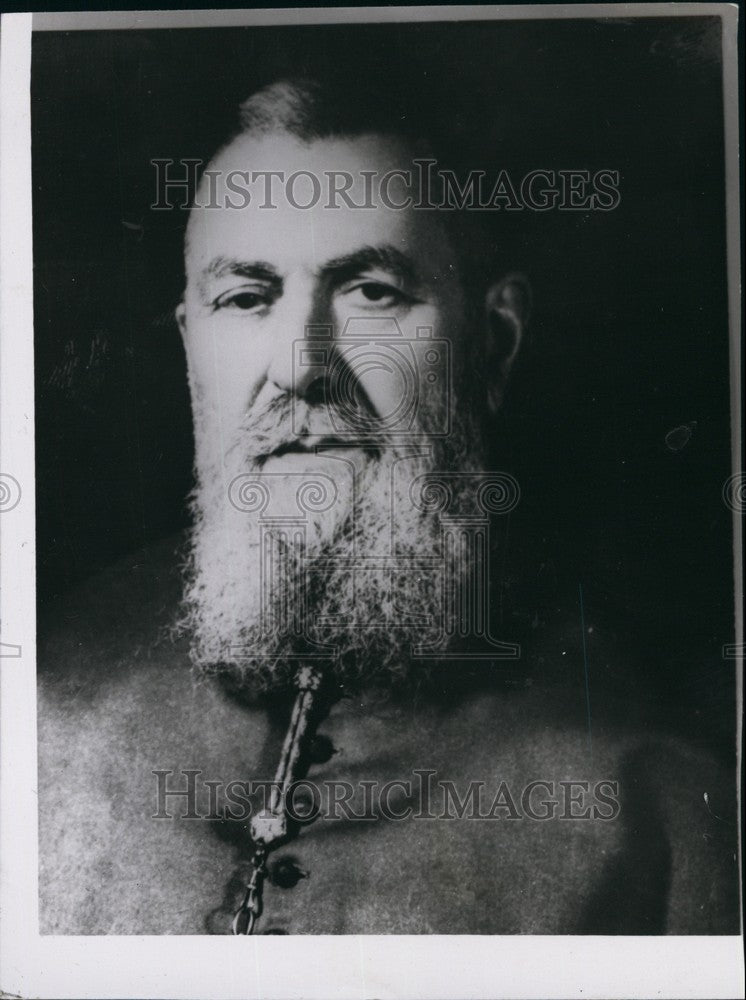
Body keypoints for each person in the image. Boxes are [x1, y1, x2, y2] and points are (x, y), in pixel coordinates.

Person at [37, 79, 738, 935]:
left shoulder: (666, 797)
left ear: (492, 344)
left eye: (371, 291)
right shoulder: (45, 704)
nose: (302, 366)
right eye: (246, 298)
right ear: (190, 349)